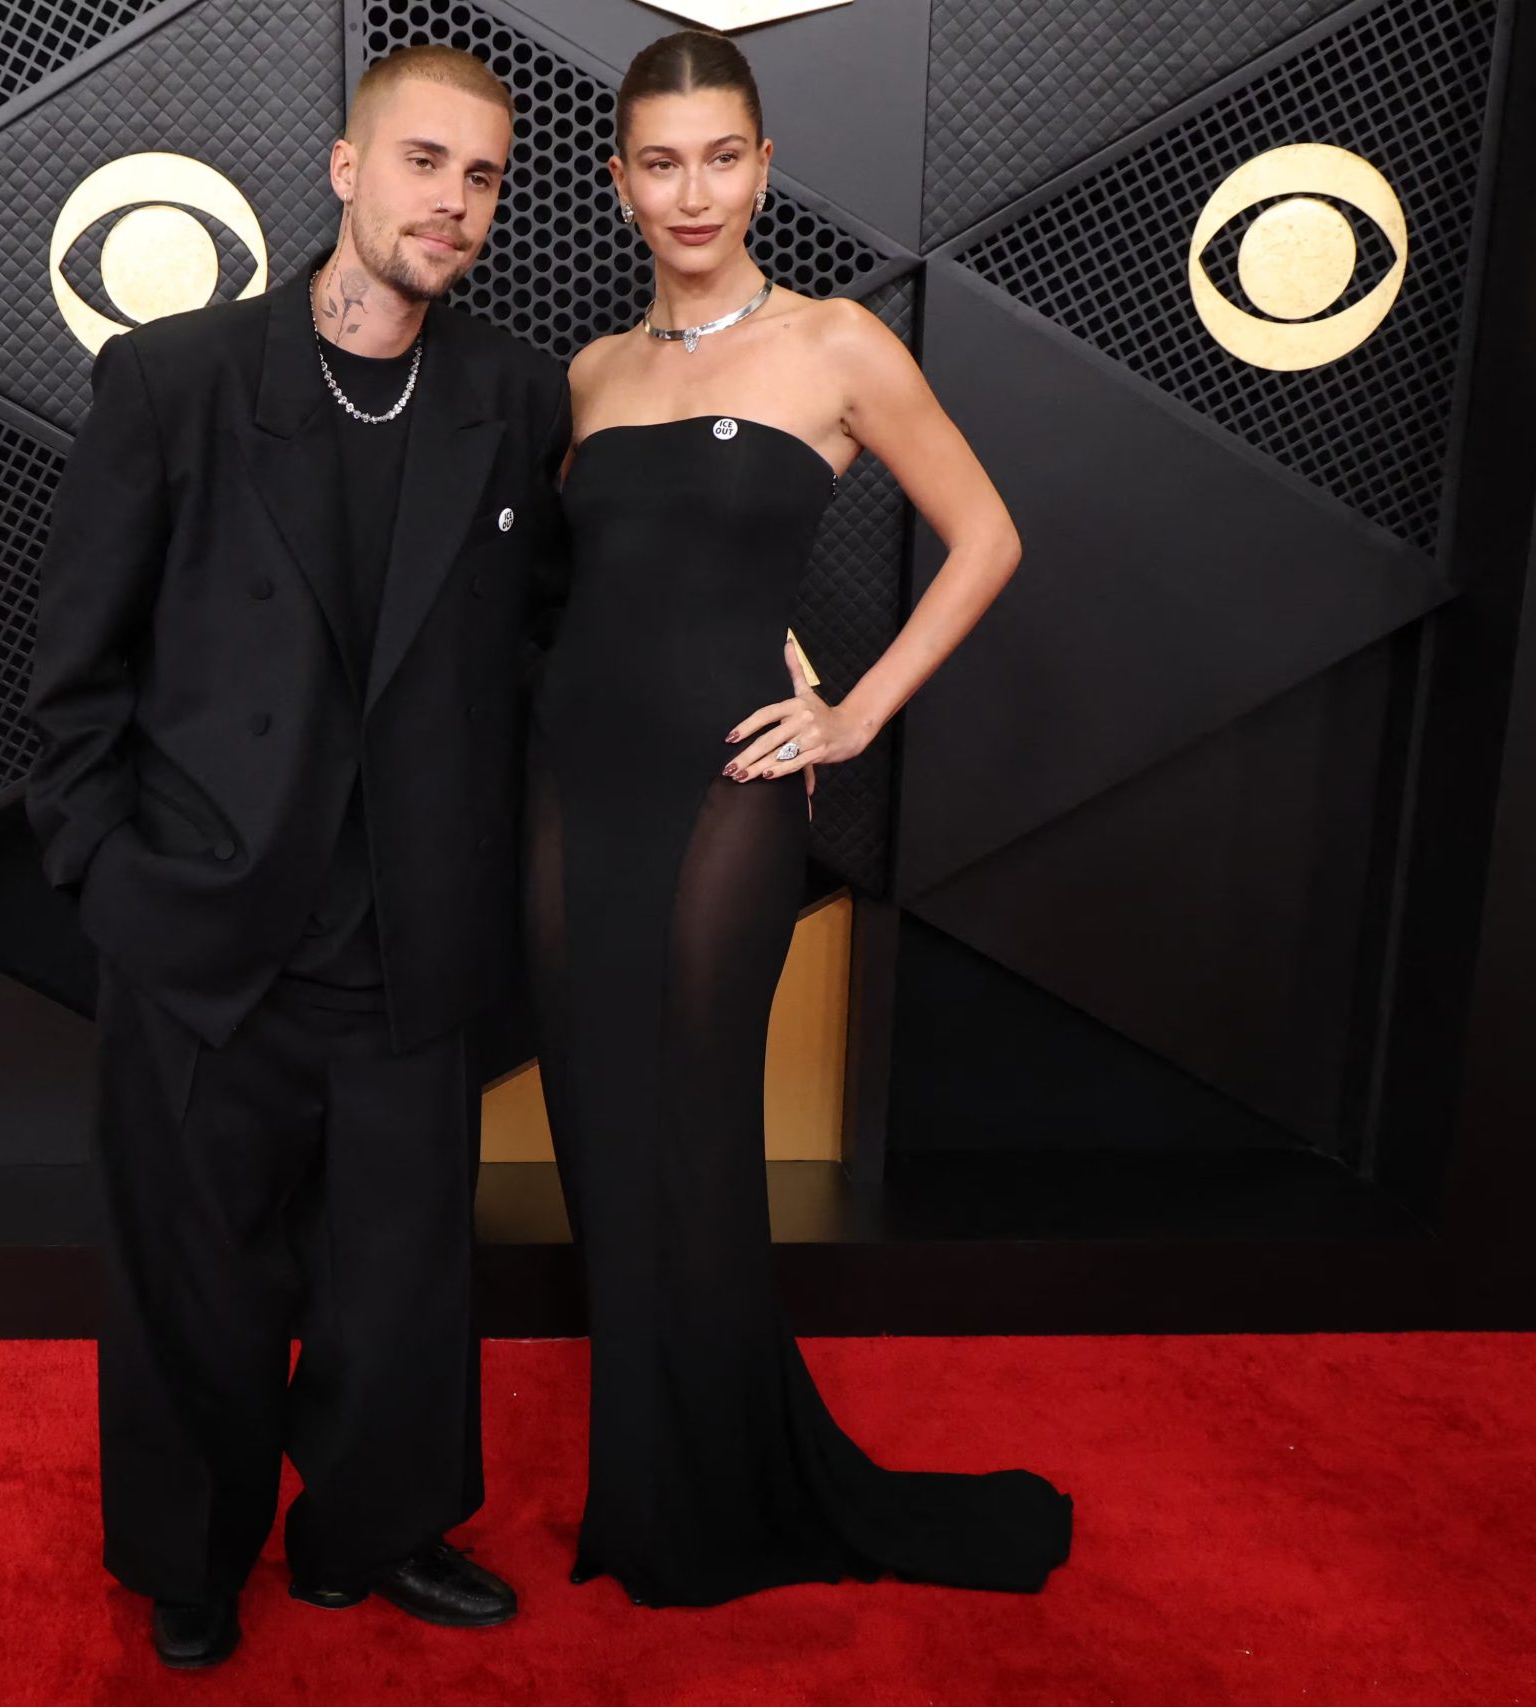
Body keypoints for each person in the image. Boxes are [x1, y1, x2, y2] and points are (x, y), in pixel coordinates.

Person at [22, 44, 573, 1668]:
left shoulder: (513, 396)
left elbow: (551, 636)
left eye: (481, 177)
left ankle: (372, 1535)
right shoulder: (175, 382)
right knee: (194, 1282)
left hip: (412, 931)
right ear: (345, 169)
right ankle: (190, 1560)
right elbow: (76, 670)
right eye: (423, 164)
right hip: (203, 931)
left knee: (399, 1281)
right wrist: (107, 880)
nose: (452, 205)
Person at [523, 28, 1076, 1609]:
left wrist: (854, 708)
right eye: (659, 160)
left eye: (720, 156)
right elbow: (590, 588)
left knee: (692, 1137)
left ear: (762, 165)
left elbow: (986, 536)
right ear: (621, 182)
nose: (691, 190)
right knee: (596, 1141)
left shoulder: (840, 346)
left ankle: (715, 1507)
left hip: (726, 793)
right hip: (574, 784)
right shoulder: (592, 375)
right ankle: (647, 1488)